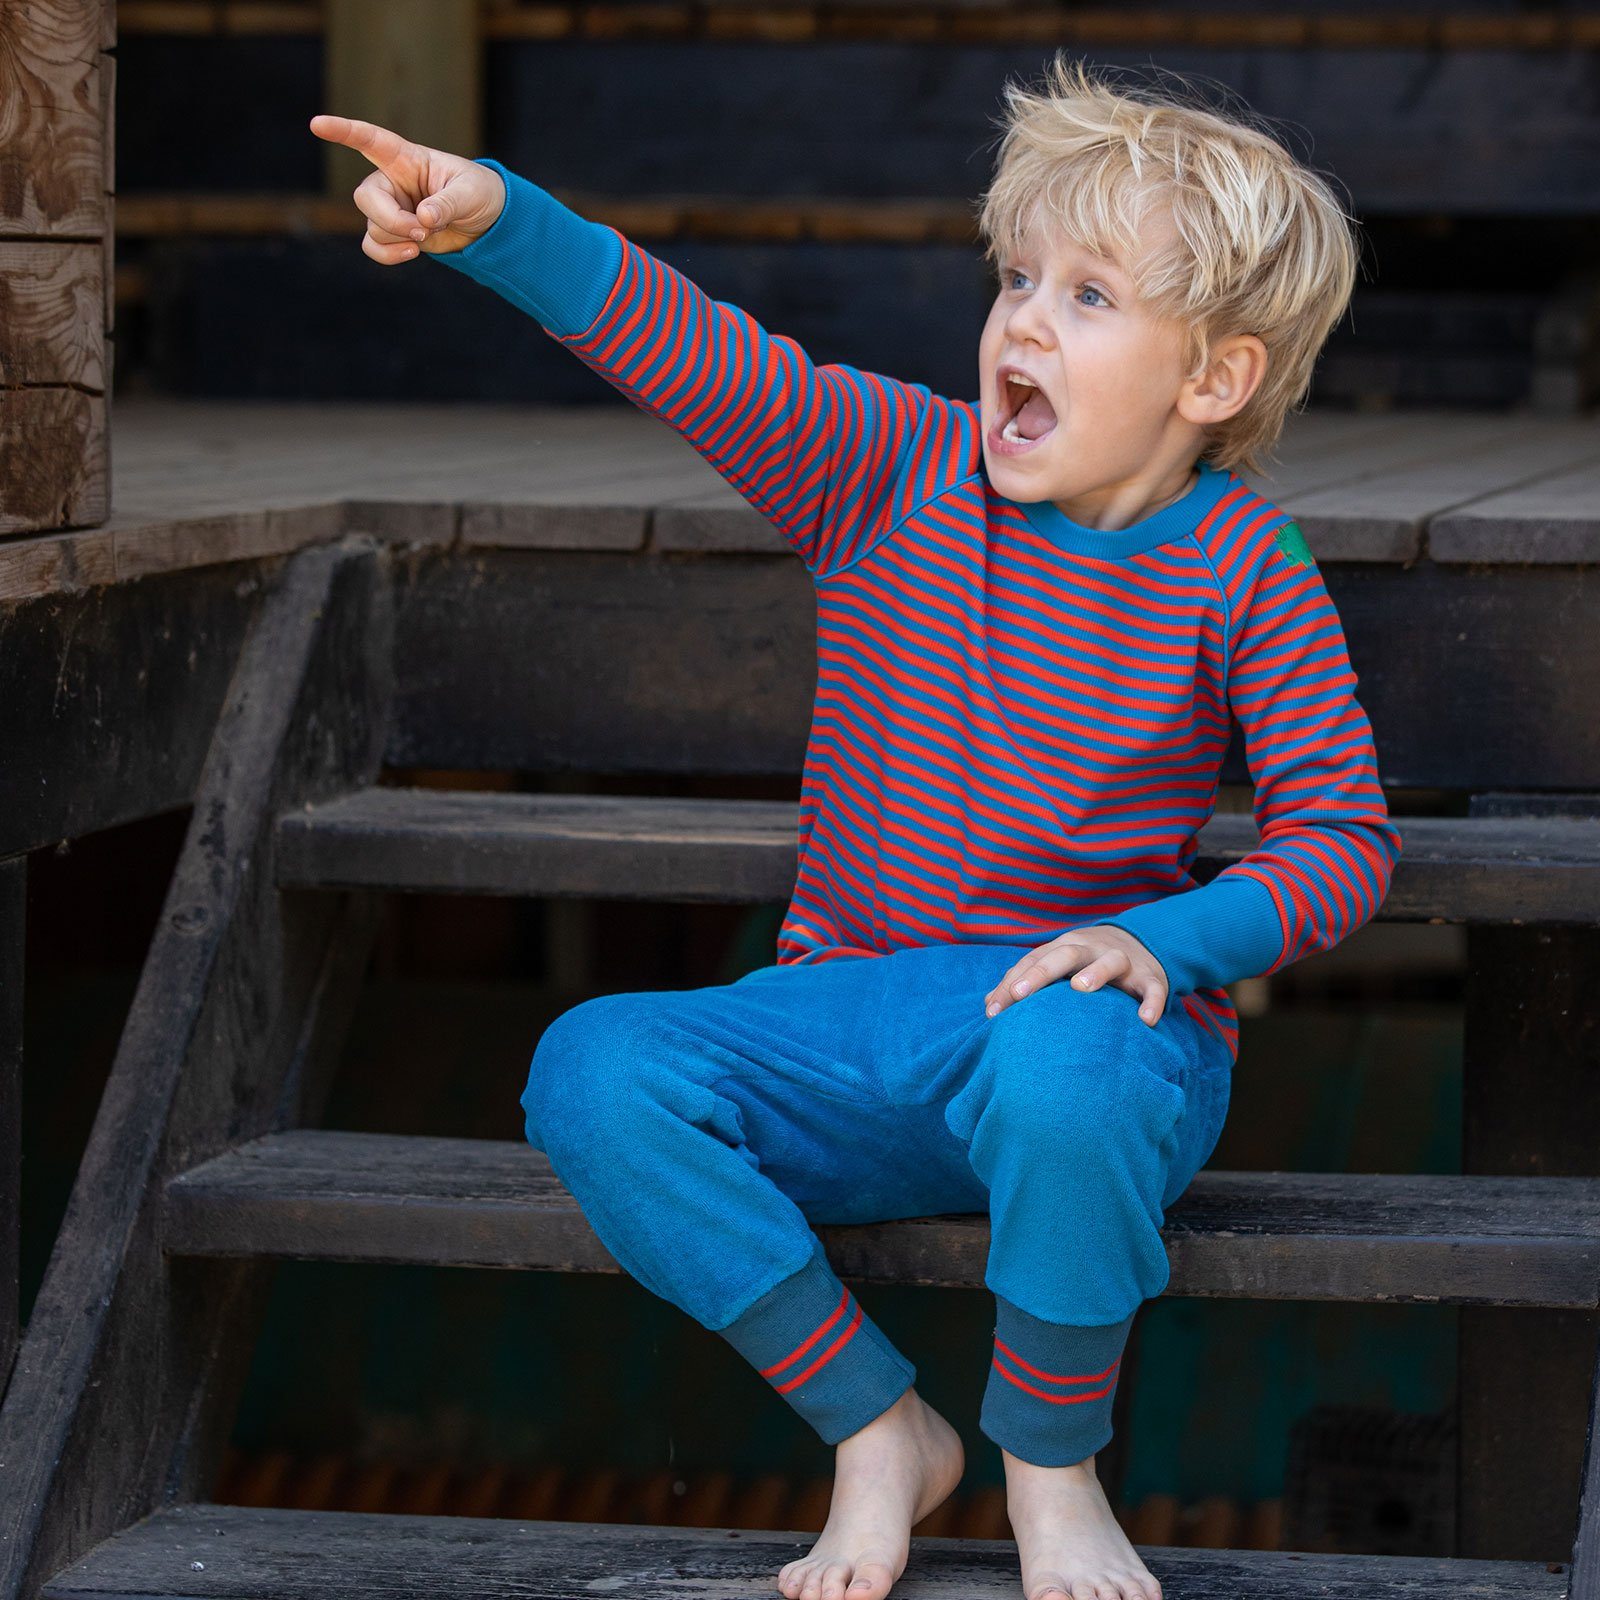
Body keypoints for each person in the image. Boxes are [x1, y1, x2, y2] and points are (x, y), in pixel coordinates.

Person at [312, 50, 1401, 1600]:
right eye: (1016, 278)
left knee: (1066, 1061)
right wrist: (497, 219)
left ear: (1214, 379)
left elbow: (1342, 839)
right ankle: (878, 1428)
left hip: (1081, 1043)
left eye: (1089, 296)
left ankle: (1050, 1467)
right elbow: (690, 348)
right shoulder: (886, 465)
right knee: (594, 1070)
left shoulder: (1246, 567)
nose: (1024, 321)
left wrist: (1159, 941)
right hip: (843, 1025)